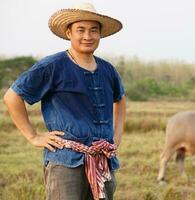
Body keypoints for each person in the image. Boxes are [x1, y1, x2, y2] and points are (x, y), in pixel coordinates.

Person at [3, 2, 126, 200]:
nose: (88, 36)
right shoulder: (52, 66)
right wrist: (34, 137)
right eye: (81, 30)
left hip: (104, 160)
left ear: (100, 34)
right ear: (69, 33)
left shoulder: (107, 69)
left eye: (93, 30)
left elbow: (120, 99)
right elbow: (12, 96)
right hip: (66, 161)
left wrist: (116, 136)